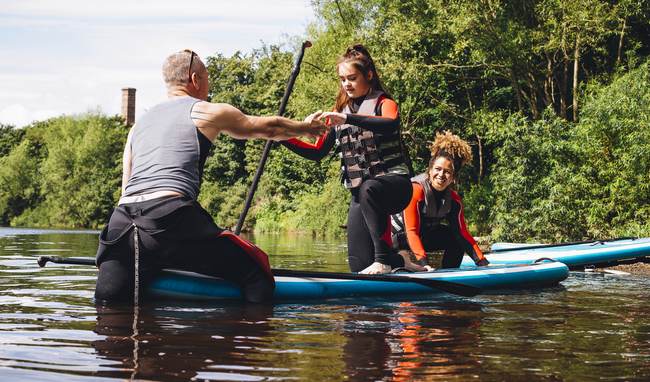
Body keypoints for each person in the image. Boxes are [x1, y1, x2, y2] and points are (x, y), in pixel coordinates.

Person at [94, 49, 326, 304]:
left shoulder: (138, 126)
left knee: (109, 302)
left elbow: (126, 188)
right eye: (207, 78)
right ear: (195, 79)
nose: (208, 84)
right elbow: (270, 128)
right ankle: (249, 337)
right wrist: (307, 127)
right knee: (257, 271)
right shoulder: (203, 111)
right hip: (171, 217)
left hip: (121, 224)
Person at [281, 44, 420, 274]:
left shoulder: (384, 103)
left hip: (397, 186)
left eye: (352, 78)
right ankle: (399, 261)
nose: (347, 84)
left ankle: (383, 261)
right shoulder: (340, 111)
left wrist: (346, 117)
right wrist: (281, 136)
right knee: (358, 265)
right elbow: (317, 152)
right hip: (363, 195)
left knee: (368, 188)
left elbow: (391, 123)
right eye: (343, 79)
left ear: (369, 75)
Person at [391, 131, 489, 269]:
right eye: (438, 169)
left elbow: (462, 234)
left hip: (423, 237)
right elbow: (411, 232)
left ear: (453, 177)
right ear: (430, 170)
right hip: (398, 240)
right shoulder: (416, 190)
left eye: (448, 172)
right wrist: (424, 265)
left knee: (455, 238)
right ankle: (407, 264)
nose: (441, 175)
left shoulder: (454, 200)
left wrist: (482, 262)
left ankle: (449, 272)